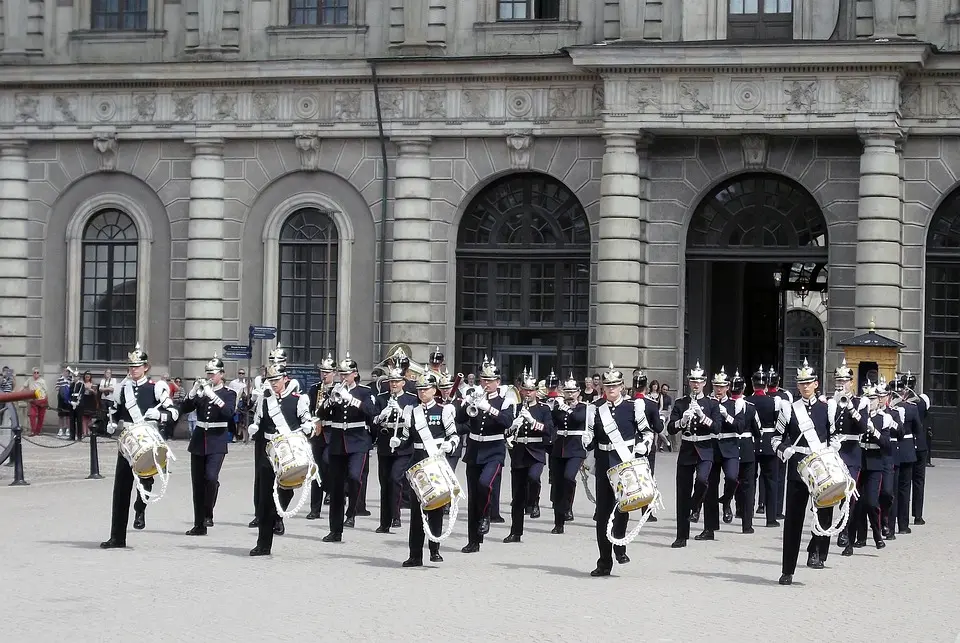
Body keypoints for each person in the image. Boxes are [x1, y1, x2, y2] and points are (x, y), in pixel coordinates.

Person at [100, 343, 180, 549]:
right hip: (127, 443)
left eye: (138, 366)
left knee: (144, 483)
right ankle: (117, 537)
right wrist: (108, 423)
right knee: (120, 489)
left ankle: (140, 508)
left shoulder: (156, 388)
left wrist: (161, 415)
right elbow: (114, 412)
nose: (134, 369)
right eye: (131, 366)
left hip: (147, 442)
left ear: (146, 367)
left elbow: (174, 413)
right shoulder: (122, 389)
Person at [772, 358, 836, 585]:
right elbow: (775, 439)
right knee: (793, 519)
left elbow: (834, 436)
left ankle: (816, 551)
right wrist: (783, 451)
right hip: (798, 468)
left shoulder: (827, 409)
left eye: (808, 383)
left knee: (824, 513)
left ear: (816, 384)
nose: (805, 387)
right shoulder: (789, 409)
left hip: (820, 467)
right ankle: (787, 569)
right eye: (801, 383)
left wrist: (832, 451)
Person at [587, 363, 655, 577]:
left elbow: (647, 433)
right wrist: (585, 440)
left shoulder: (633, 407)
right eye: (607, 386)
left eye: (615, 386)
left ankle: (620, 544)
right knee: (603, 515)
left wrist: (644, 445)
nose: (611, 389)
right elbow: (590, 440)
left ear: (622, 386)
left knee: (624, 508)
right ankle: (604, 562)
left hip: (625, 465)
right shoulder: (595, 408)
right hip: (604, 465)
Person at [247, 364, 315, 556]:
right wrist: (254, 428)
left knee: (286, 491)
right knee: (264, 499)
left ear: (285, 379)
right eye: (271, 380)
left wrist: (308, 428)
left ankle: (278, 515)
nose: (274, 384)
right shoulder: (264, 400)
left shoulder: (298, 400)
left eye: (277, 380)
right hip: (269, 453)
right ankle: (263, 544)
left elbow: (306, 421)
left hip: (289, 453)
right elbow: (258, 423)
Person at [401, 372, 460, 567]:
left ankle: (435, 550)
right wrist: (397, 441)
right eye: (419, 390)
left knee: (435, 507)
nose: (422, 393)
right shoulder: (411, 411)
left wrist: (449, 445)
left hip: (435, 462)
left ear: (434, 390)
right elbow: (406, 437)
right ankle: (415, 554)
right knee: (417, 511)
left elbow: (454, 435)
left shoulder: (443, 411)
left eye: (425, 389)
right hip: (418, 462)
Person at [459, 356, 514, 553]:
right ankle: (473, 540)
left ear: (498, 382)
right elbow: (460, 419)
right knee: (474, 496)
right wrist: (466, 404)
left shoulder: (505, 401)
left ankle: (486, 515)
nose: (487, 384)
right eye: (484, 380)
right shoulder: (474, 395)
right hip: (474, 451)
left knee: (485, 484)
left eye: (490, 380)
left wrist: (489, 408)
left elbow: (507, 421)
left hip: (494, 451)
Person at [321, 351, 377, 542]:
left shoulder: (364, 392)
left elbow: (371, 411)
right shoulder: (332, 390)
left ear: (355, 374)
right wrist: (331, 400)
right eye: (341, 374)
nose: (343, 377)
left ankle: (352, 511)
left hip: (358, 442)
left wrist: (351, 399)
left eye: (346, 374)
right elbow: (321, 413)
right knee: (336, 487)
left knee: (354, 477)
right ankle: (335, 530)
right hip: (337, 443)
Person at [179, 353, 237, 535]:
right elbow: (185, 409)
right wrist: (193, 391)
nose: (210, 376)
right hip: (198, 440)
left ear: (222, 374)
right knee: (197, 483)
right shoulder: (202, 391)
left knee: (211, 478)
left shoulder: (229, 393)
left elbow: (229, 413)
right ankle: (199, 525)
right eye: (208, 373)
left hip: (217, 440)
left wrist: (213, 396)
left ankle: (208, 513)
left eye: (213, 373)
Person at [667, 362, 721, 548]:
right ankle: (682, 535)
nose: (695, 384)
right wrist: (683, 420)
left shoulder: (711, 403)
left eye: (699, 381)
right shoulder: (681, 403)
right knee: (682, 492)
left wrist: (703, 416)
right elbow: (670, 429)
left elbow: (717, 428)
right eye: (692, 381)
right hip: (687, 449)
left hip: (705, 449)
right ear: (689, 382)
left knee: (703, 481)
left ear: (705, 382)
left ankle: (696, 505)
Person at [503, 368, 554, 543]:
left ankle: (534, 502)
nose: (527, 393)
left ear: (535, 392)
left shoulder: (543, 409)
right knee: (517, 496)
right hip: (518, 452)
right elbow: (505, 431)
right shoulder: (514, 408)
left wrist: (533, 422)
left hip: (536, 450)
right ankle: (515, 532)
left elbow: (549, 431)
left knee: (534, 478)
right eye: (525, 390)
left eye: (531, 390)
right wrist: (511, 427)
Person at [373, 366, 418, 533]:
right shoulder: (381, 398)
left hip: (403, 445)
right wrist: (383, 414)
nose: (394, 384)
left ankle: (396, 516)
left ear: (403, 383)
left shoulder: (410, 399)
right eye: (391, 381)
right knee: (384, 483)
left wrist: (400, 411)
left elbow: (412, 422)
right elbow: (373, 420)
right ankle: (384, 522)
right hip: (385, 444)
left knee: (395, 479)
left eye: (397, 381)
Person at [549, 375, 590, 533]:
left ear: (578, 392)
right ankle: (558, 523)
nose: (570, 394)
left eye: (573, 391)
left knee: (568, 477)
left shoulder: (583, 407)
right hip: (560, 448)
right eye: (567, 391)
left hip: (576, 448)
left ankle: (567, 505)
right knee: (557, 484)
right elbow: (552, 422)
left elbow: (577, 418)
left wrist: (565, 408)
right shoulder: (557, 407)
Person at [746, 366, 780, 528]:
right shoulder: (773, 401)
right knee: (771, 481)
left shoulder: (747, 401)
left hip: (751, 442)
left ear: (753, 385)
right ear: (766, 385)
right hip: (768, 442)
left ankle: (748, 515)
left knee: (750, 480)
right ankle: (771, 518)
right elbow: (778, 423)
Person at [306, 354, 337, 521]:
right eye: (322, 371)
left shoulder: (338, 389)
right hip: (317, 432)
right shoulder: (314, 389)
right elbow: (310, 408)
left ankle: (331, 489)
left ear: (334, 373)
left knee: (327, 463)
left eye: (327, 372)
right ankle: (314, 509)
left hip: (332, 432)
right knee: (315, 470)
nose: (324, 375)